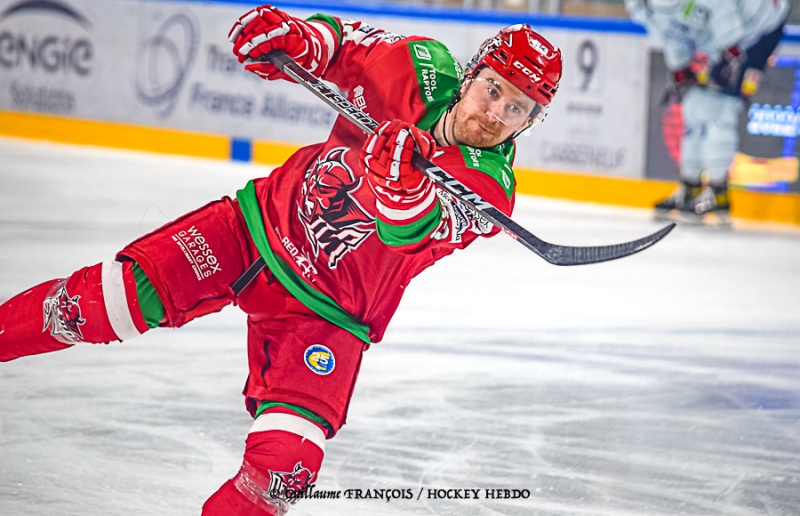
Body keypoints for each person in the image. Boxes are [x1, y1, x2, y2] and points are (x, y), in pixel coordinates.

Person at [0, 4, 562, 515]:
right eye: (493, 89)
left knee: (281, 475)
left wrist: (396, 188)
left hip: (327, 313)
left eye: (517, 108)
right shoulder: (419, 65)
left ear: (528, 123)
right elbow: (341, 47)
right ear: (471, 76)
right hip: (252, 231)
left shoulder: (489, 188)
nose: (495, 113)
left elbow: (408, 230)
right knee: (83, 308)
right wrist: (298, 37)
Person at [626, 0, 789, 225]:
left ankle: (718, 192)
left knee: (719, 108)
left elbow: (722, 8)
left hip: (758, 28)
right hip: (721, 35)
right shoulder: (644, 7)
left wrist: (730, 51)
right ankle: (691, 187)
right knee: (694, 105)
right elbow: (671, 33)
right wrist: (680, 67)